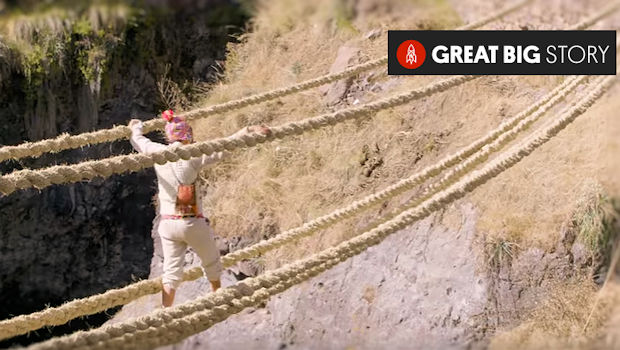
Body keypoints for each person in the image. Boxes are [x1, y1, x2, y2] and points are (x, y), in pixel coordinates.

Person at [129, 110, 270, 307]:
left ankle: (165, 310)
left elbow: (139, 142)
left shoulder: (157, 151)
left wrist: (136, 126)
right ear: (188, 136)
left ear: (169, 136)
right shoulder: (194, 156)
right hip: (191, 222)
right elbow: (224, 146)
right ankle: (217, 298)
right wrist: (248, 130)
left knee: (171, 273)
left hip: (167, 223)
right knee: (212, 262)